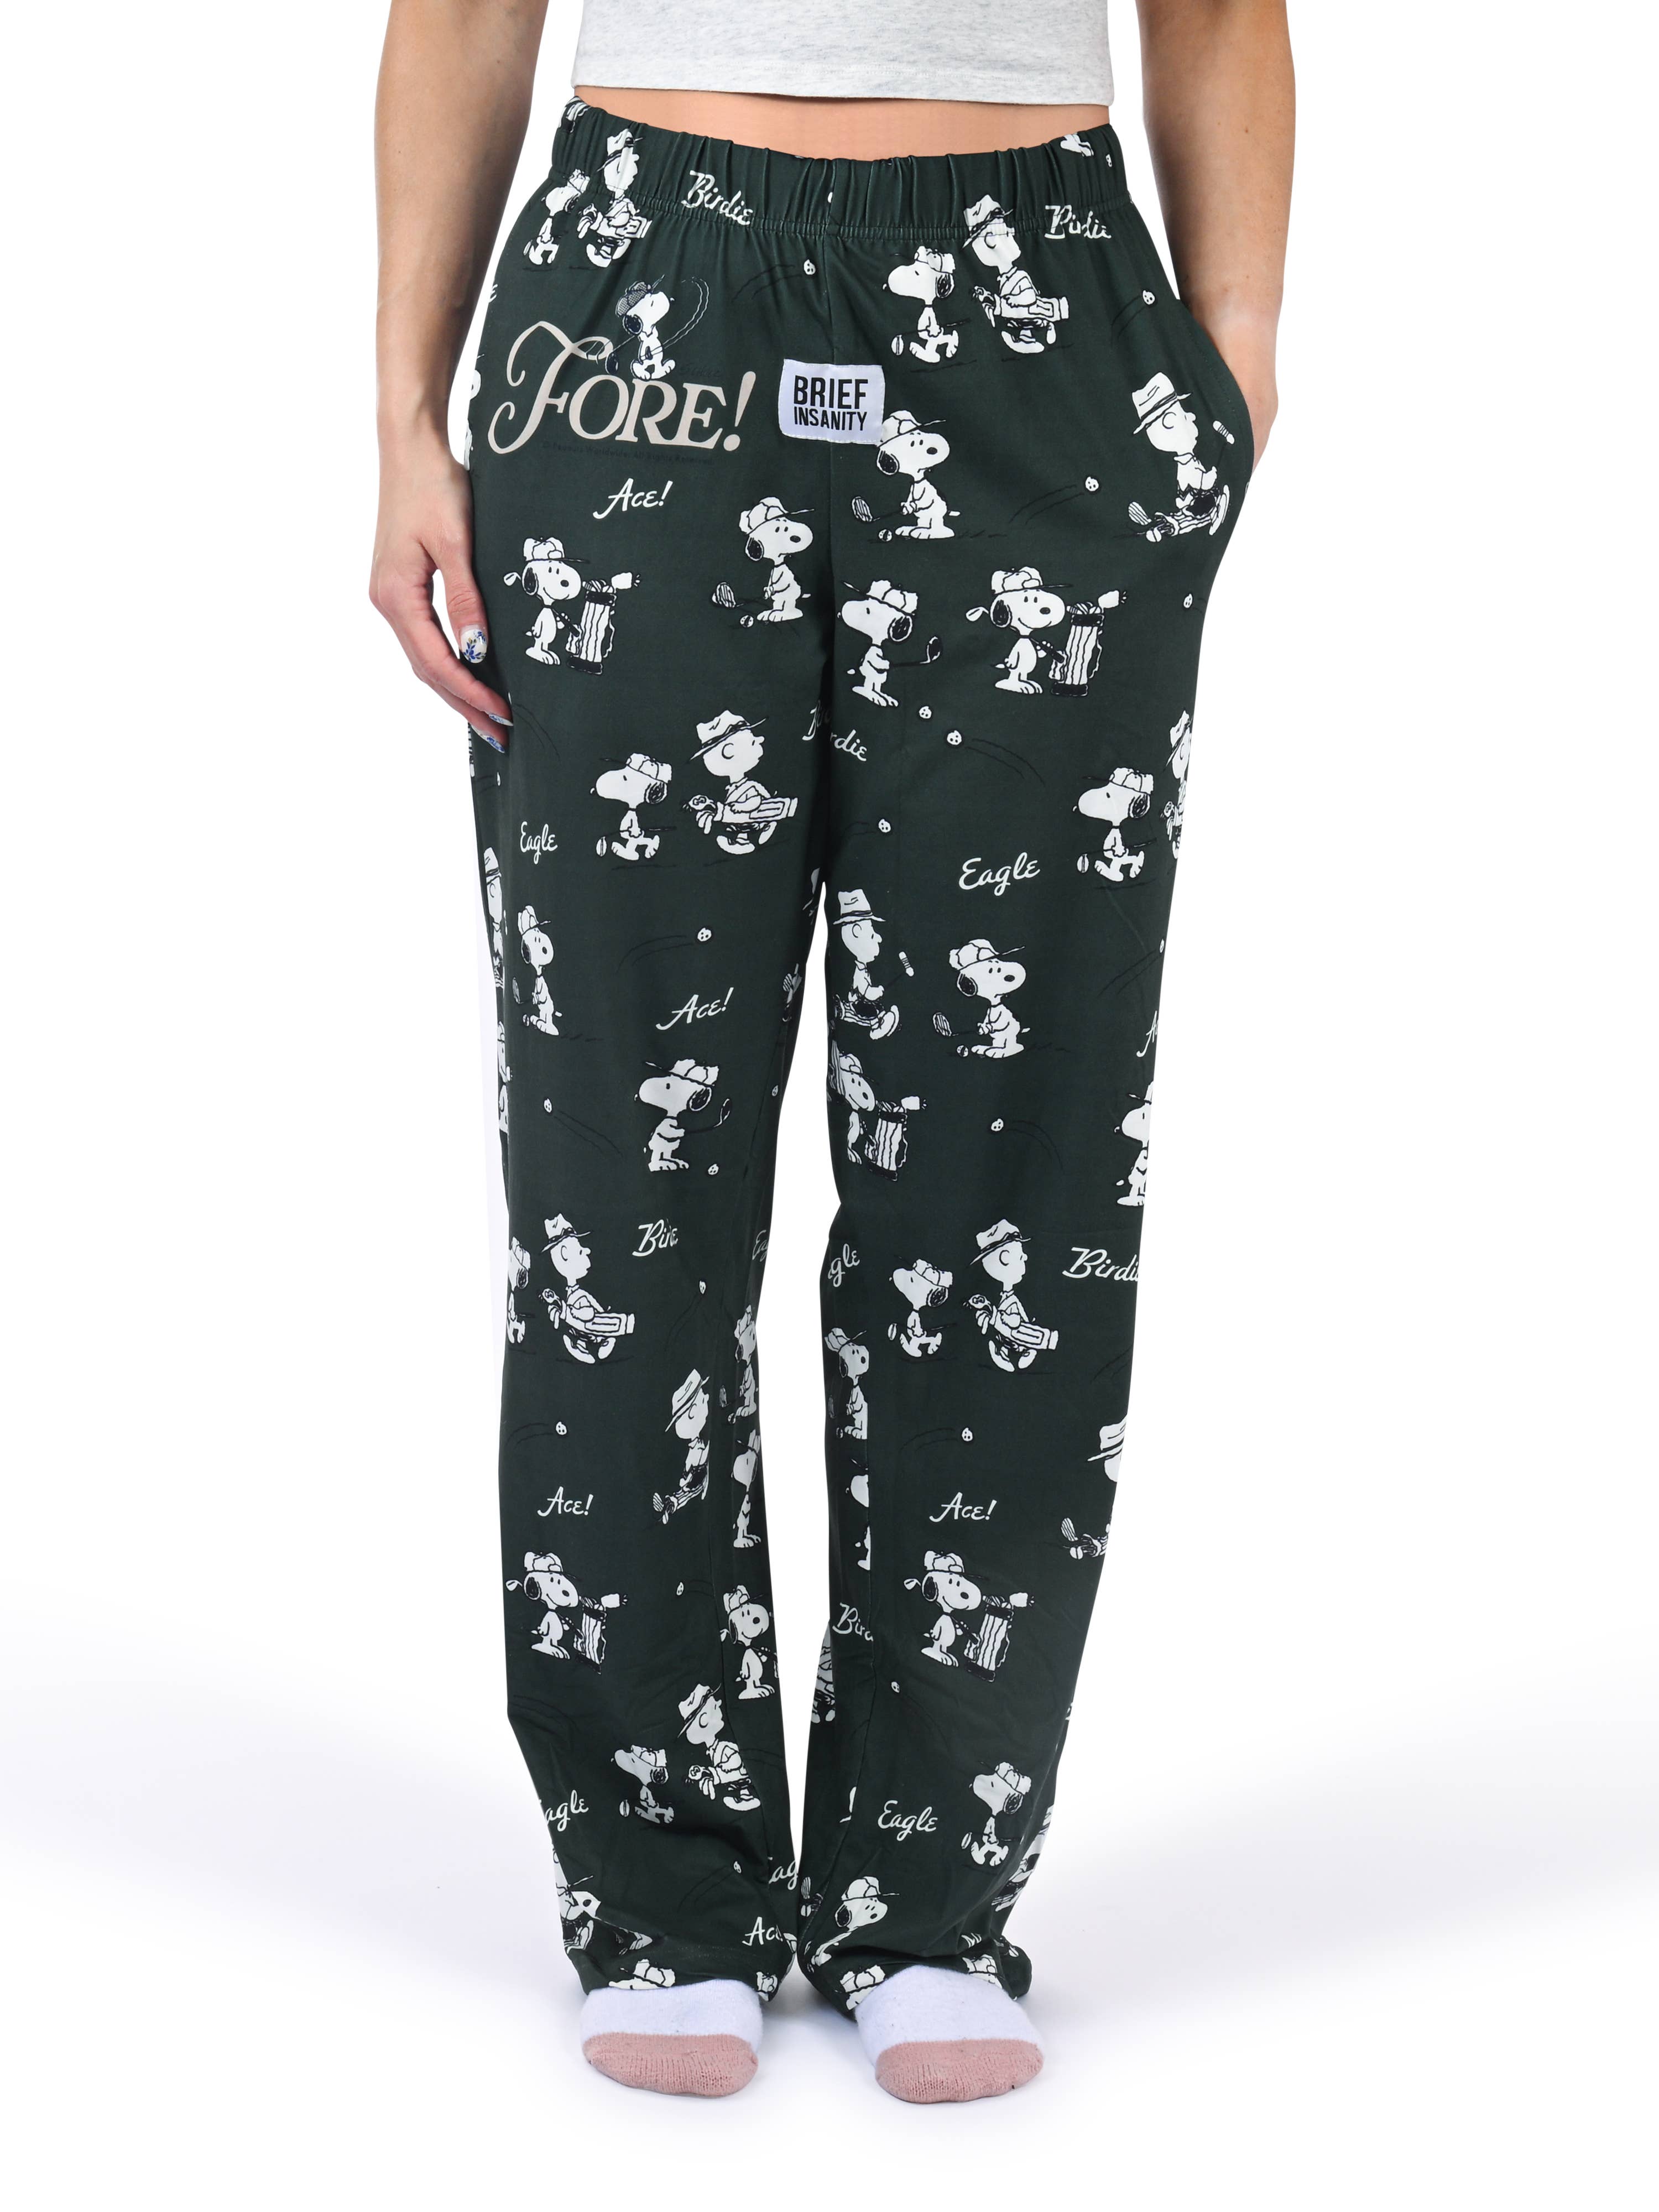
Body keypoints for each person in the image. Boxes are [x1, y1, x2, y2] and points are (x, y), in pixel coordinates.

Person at [371, 0, 1292, 2105]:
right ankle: (661, 1889)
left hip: (1044, 318)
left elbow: (1221, 11)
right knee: (622, 1166)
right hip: (643, 323)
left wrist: (1233, 363)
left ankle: (929, 1893)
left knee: (1010, 1163)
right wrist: (408, 413)